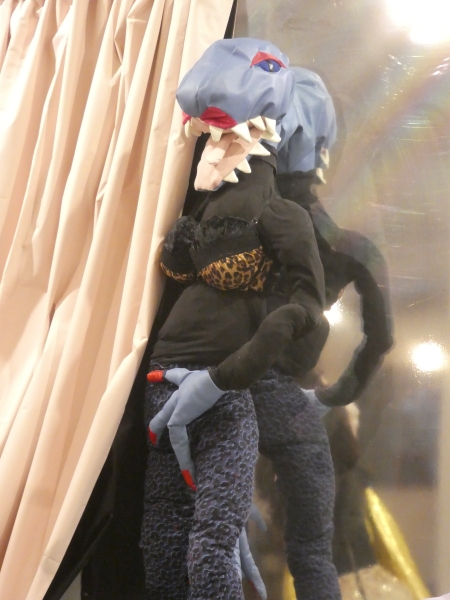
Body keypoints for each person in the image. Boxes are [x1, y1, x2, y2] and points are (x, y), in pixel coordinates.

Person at [140, 38, 328, 600]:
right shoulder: (201, 203)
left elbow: (307, 314)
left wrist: (225, 378)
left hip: (218, 389)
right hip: (164, 381)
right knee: (166, 534)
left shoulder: (280, 214)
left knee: (211, 539)